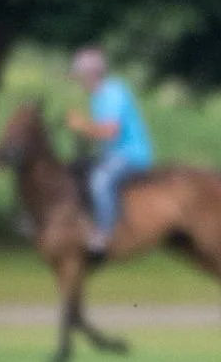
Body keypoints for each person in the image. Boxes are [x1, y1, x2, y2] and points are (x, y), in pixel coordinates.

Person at [66, 48, 155, 256]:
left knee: (101, 180)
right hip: (112, 155)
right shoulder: (97, 97)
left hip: (131, 155)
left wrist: (81, 125)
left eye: (80, 76)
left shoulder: (112, 93)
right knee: (75, 172)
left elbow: (109, 131)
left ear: (91, 74)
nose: (79, 82)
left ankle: (104, 235)